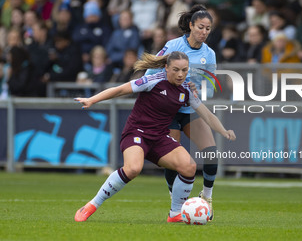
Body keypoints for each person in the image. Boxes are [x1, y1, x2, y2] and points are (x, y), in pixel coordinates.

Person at [74, 51, 236, 222]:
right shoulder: (153, 81)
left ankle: (175, 214)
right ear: (166, 68)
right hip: (137, 133)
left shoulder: (187, 90)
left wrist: (223, 130)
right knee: (133, 169)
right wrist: (92, 99)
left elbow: (206, 114)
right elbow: (120, 89)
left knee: (189, 167)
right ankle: (92, 205)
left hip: (159, 138)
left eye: (184, 70)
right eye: (176, 69)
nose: (180, 74)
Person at [144, 4, 218, 220]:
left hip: (190, 109)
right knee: (173, 158)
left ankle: (207, 196)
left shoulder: (209, 54)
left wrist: (198, 91)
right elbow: (150, 74)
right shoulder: (173, 46)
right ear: (191, 25)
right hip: (168, 110)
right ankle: (175, 199)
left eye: (208, 29)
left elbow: (211, 88)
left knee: (212, 152)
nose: (204, 32)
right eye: (201, 27)